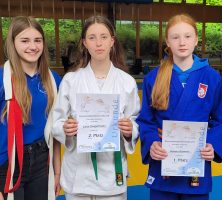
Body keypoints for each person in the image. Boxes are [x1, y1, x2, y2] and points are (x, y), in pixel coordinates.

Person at [136, 14, 222, 200]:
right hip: (163, 164)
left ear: (196, 39)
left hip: (196, 165)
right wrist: (152, 143)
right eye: (175, 37)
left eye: (188, 36)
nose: (182, 42)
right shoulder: (153, 77)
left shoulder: (212, 78)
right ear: (167, 41)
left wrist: (212, 144)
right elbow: (145, 120)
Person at [51, 15, 140, 200]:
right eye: (92, 37)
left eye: (104, 37)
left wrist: (130, 130)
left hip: (111, 176)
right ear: (84, 43)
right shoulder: (71, 80)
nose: (98, 43)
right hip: (78, 174)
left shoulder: (127, 82)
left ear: (112, 41)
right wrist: (66, 128)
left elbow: (135, 120)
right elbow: (56, 122)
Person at [0, 16, 62, 200]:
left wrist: (56, 170)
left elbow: (55, 130)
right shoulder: (3, 79)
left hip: (42, 161)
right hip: (7, 163)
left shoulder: (53, 79)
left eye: (37, 40)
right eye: (24, 41)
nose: (32, 46)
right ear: (13, 43)